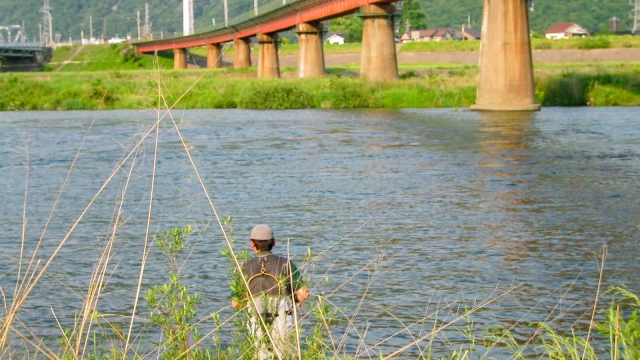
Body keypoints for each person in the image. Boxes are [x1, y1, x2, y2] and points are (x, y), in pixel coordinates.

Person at [231, 224, 309, 359]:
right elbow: (303, 293)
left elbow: (236, 304)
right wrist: (293, 300)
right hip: (283, 317)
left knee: (261, 355)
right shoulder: (286, 264)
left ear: (252, 244)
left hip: (256, 318)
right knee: (283, 354)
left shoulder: (243, 268)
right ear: (274, 242)